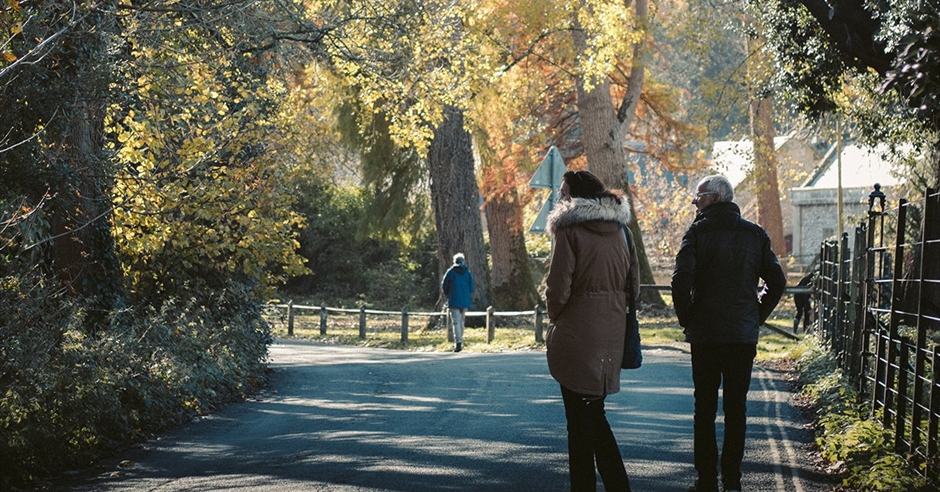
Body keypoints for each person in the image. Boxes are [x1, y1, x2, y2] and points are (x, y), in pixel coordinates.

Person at [671, 175, 786, 492]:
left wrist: (688, 319)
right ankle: (732, 480)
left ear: (715, 198)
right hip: (741, 335)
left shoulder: (696, 233)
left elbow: (680, 281)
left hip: (705, 335)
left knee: (704, 409)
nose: (695, 204)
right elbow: (777, 282)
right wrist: (754, 316)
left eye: (698, 198)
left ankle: (706, 480)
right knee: (736, 409)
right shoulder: (755, 234)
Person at [545, 170, 639, 492]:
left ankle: (596, 485)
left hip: (575, 334)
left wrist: (556, 317)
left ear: (574, 195)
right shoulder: (622, 232)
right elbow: (635, 287)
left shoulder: (569, 231)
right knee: (593, 413)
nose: (559, 197)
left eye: (562, 191)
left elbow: (557, 288)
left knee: (580, 421)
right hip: (611, 334)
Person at [441, 252, 474, 352]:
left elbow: (444, 286)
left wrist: (448, 294)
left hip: (454, 300)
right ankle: (460, 340)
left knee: (456, 322)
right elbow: (471, 287)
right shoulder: (467, 272)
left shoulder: (450, 272)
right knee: (461, 321)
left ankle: (458, 343)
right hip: (465, 301)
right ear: (463, 261)